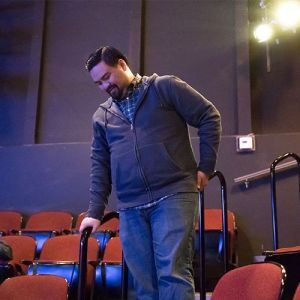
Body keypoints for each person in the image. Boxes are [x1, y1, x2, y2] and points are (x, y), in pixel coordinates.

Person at [80, 46, 221, 300]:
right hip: (131, 205)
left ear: (122, 64)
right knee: (143, 282)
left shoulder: (164, 88)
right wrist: (94, 212)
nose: (104, 85)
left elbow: (208, 116)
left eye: (107, 77)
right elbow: (99, 164)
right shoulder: (102, 117)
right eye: (98, 83)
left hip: (174, 193)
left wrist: (206, 166)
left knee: (172, 273)